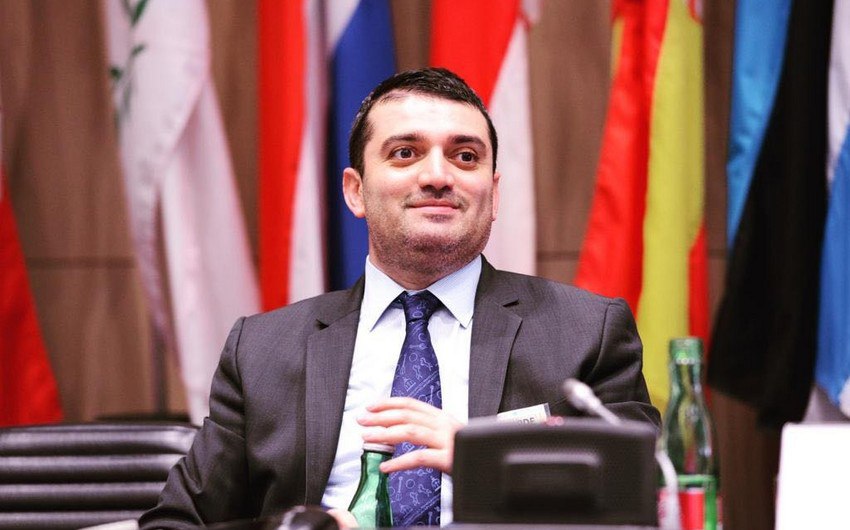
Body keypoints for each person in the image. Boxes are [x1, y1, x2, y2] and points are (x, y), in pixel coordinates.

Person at [139, 67, 660, 529]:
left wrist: (488, 463)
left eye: (465, 156)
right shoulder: (262, 350)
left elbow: (648, 498)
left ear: (494, 193)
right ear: (356, 191)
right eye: (405, 153)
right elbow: (175, 523)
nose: (437, 176)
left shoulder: (584, 333)